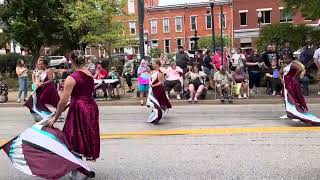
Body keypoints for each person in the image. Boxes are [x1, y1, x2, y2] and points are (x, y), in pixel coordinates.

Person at [48, 51, 100, 178]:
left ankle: (79, 169)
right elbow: (82, 94)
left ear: (72, 61)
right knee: (83, 137)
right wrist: (67, 105)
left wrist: (55, 116)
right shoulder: (89, 73)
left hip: (79, 109)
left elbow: (63, 100)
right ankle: (77, 168)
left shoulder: (71, 78)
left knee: (73, 138)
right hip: (91, 106)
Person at [280, 53, 320, 124]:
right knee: (286, 99)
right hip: (286, 84)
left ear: (290, 58)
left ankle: (298, 114)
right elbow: (280, 72)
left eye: (286, 58)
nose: (285, 60)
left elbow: (300, 69)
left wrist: (294, 77)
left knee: (294, 98)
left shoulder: (293, 64)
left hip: (291, 84)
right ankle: (290, 113)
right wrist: (282, 79)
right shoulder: (285, 65)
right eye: (284, 58)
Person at [146, 59, 172, 124]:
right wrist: (150, 84)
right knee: (154, 103)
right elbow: (150, 80)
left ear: (157, 65)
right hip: (153, 89)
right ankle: (154, 115)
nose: (152, 65)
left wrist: (153, 85)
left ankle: (161, 112)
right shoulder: (152, 72)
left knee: (159, 102)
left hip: (158, 89)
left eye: (154, 64)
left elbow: (161, 82)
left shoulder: (159, 73)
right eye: (152, 64)